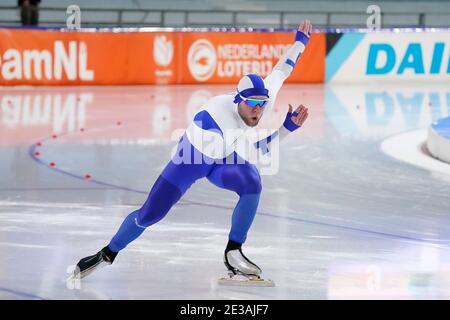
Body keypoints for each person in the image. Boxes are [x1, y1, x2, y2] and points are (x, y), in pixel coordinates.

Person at [72, 20, 312, 285]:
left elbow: (282, 70)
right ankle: (107, 253)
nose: (259, 109)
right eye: (253, 103)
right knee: (149, 215)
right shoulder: (217, 120)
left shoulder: (261, 99)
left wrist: (301, 41)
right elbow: (256, 152)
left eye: (262, 104)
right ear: (238, 100)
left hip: (222, 157)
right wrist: (287, 129)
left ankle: (233, 252)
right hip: (192, 159)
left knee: (252, 182)